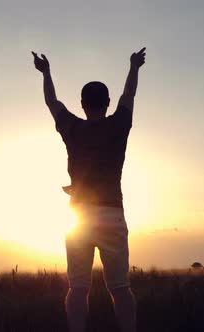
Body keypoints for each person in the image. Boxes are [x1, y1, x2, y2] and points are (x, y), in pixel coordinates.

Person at [32, 47, 146, 332]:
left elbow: (51, 101)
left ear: (82, 104)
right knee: (120, 287)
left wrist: (46, 72)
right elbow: (129, 95)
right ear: (107, 102)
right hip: (112, 214)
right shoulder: (120, 124)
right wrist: (134, 67)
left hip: (79, 217)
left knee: (78, 288)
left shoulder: (72, 128)